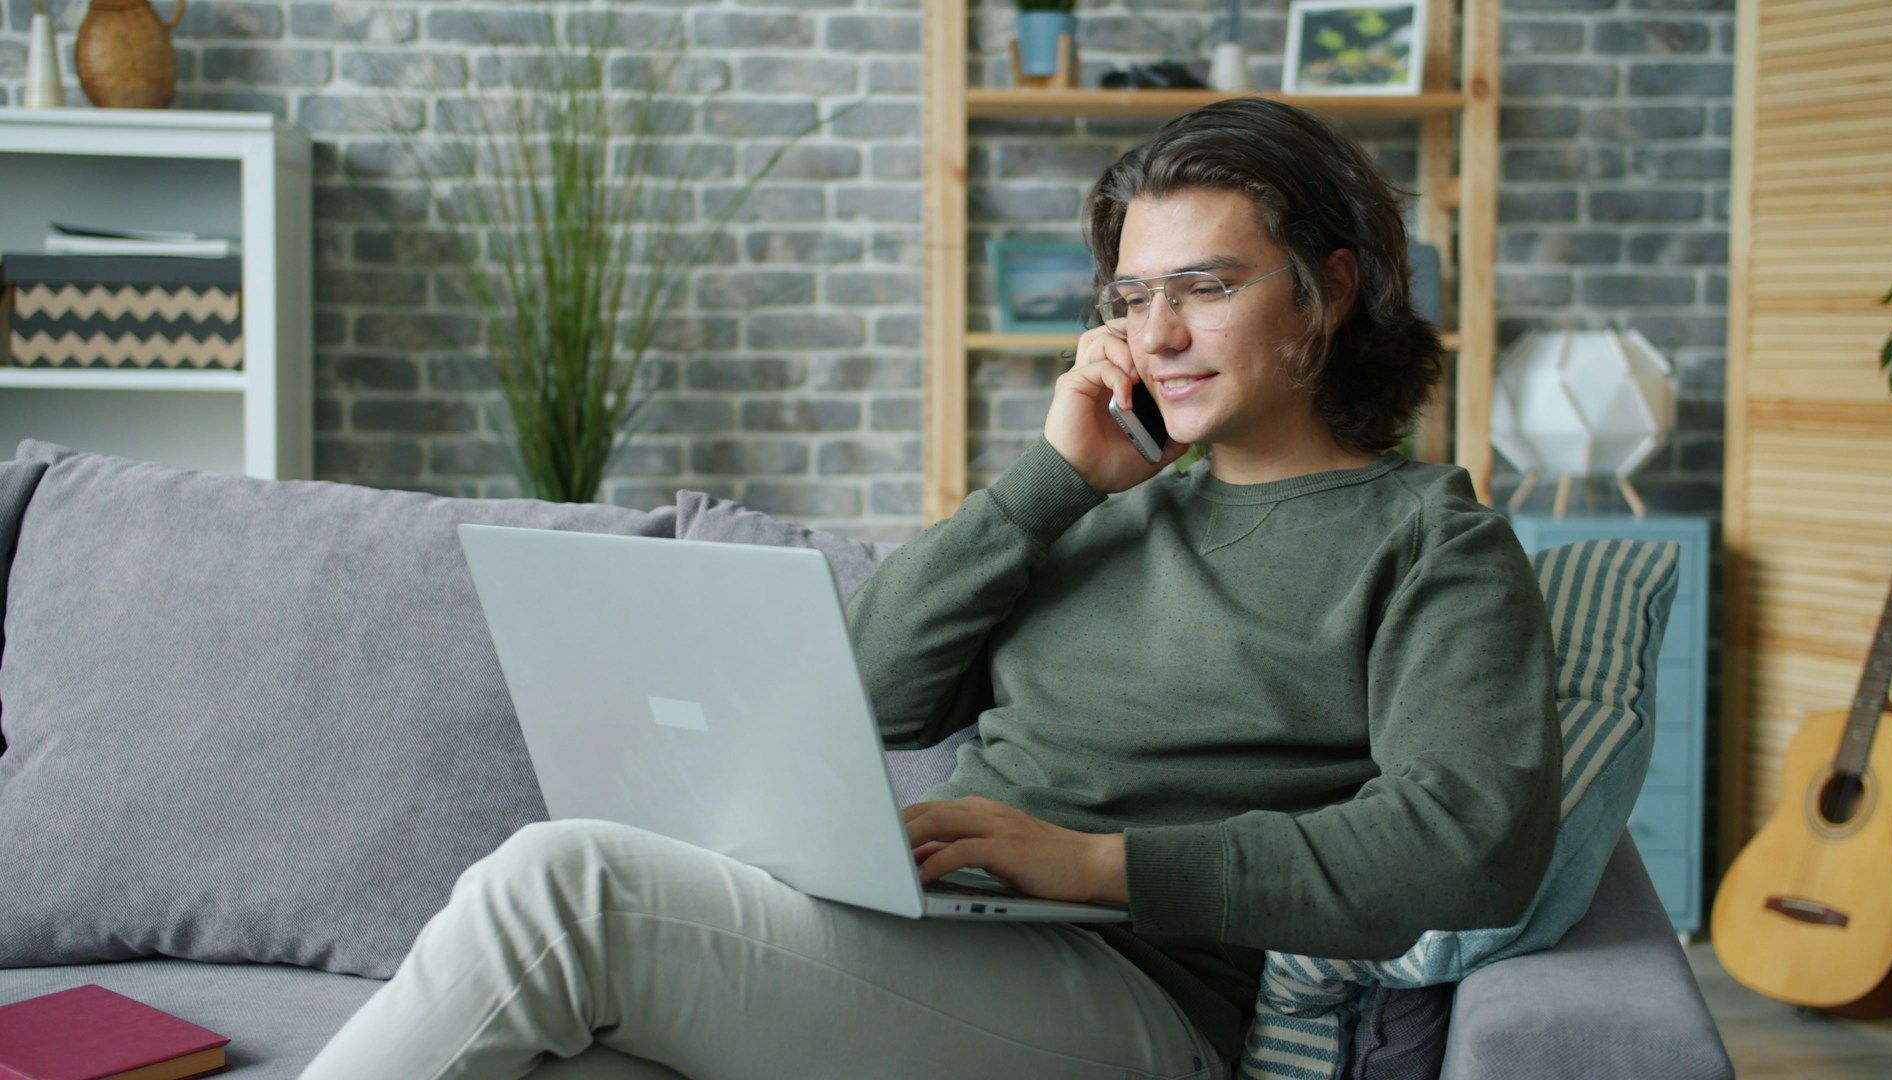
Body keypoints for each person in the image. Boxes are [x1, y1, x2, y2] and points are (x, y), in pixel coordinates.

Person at [300, 97, 1560, 1080]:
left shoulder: (1428, 543)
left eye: (1206, 289)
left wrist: (1099, 864)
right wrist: (1054, 478)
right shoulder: (1094, 502)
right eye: (1133, 298)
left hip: (1137, 997)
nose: (1158, 335)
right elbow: (866, 695)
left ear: (1331, 289)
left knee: (561, 889)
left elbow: (1466, 847)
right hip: (936, 938)